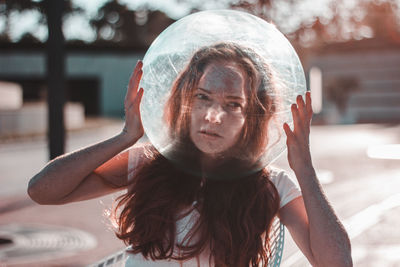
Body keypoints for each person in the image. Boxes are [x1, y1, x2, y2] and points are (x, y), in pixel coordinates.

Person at [28, 43, 352, 267]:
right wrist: (126, 137)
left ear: (253, 115)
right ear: (186, 100)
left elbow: (337, 262)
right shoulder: (150, 162)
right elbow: (42, 191)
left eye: (232, 104)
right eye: (203, 97)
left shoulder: (273, 184)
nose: (213, 116)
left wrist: (305, 169)